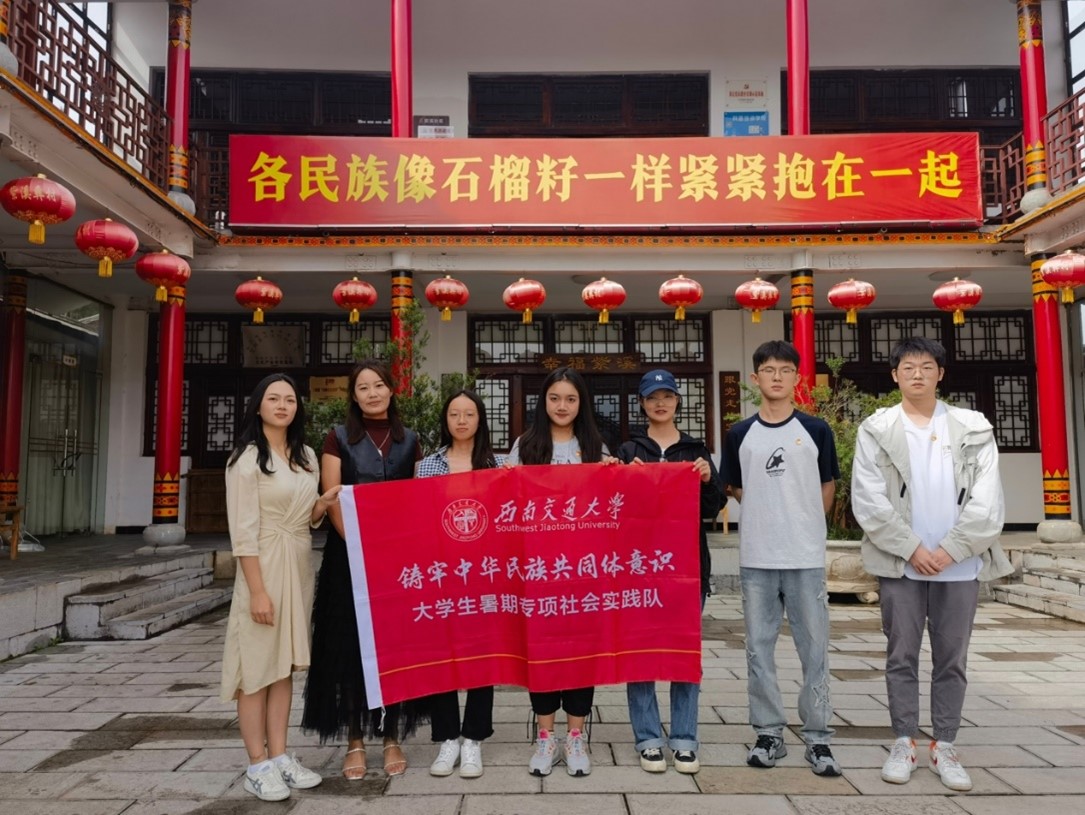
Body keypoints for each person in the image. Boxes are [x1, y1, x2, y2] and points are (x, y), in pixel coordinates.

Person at [851, 337, 1011, 792]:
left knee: (952, 659)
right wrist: (911, 548)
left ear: (940, 374)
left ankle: (945, 744)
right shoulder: (877, 429)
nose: (917, 374)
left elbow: (988, 500)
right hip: (901, 564)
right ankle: (904, 741)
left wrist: (953, 549)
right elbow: (868, 499)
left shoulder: (972, 427)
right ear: (894, 375)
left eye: (926, 366)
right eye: (907, 367)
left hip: (958, 566)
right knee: (900, 654)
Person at [721, 340, 843, 777]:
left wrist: (805, 523)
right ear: (756, 379)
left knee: (815, 649)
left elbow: (827, 486)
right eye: (769, 370)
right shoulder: (739, 434)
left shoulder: (815, 430)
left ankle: (818, 736)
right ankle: (768, 731)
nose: (777, 377)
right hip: (757, 557)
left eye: (785, 370)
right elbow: (734, 486)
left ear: (797, 378)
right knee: (758, 649)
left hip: (804, 556)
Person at [301, 359, 426, 780]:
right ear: (353, 396)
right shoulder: (337, 438)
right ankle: (355, 739)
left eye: (378, 386)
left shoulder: (411, 440)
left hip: (397, 560)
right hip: (348, 556)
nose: (372, 393)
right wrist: (359, 545)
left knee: (395, 645)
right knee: (349, 647)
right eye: (363, 387)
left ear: (391, 390)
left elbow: (418, 498)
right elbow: (332, 495)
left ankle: (391, 735)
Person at [220, 373, 341, 802]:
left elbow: (305, 517)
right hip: (264, 566)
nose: (283, 405)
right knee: (256, 668)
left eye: (290, 399)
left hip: (298, 563)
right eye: (274, 399)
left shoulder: (305, 455)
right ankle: (257, 763)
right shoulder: (246, 459)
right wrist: (256, 590)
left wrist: (320, 506)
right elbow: (243, 533)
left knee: (284, 665)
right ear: (258, 406)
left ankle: (280, 755)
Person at [506, 365, 614, 778]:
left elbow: (612, 504)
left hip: (583, 571)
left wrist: (619, 473)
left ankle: (575, 736)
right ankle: (545, 736)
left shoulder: (595, 447)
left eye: (570, 399)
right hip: (538, 572)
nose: (562, 406)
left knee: (581, 653)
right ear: (543, 402)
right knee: (542, 652)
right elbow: (508, 503)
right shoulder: (526, 445)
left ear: (581, 403)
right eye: (555, 398)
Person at [617, 369, 723, 775]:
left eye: (667, 396)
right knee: (640, 653)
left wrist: (708, 479)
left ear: (678, 401)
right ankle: (647, 738)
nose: (660, 403)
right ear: (642, 404)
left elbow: (711, 508)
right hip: (639, 568)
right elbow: (615, 510)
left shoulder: (694, 450)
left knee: (683, 652)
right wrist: (623, 478)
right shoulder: (629, 449)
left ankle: (684, 739)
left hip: (687, 569)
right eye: (652, 397)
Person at [418, 388, 505, 779]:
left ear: (480, 419)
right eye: (454, 413)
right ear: (445, 419)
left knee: (482, 655)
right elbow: (417, 519)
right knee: (442, 654)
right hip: (441, 572)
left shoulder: (498, 465)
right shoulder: (427, 466)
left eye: (469, 414)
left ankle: (473, 739)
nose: (462, 420)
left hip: (485, 572)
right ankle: (447, 738)